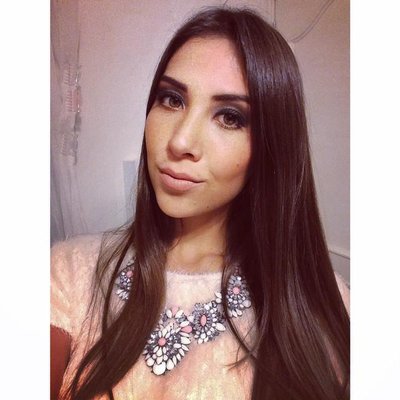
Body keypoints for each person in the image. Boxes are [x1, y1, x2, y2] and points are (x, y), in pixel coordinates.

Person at [51, 7, 350, 400]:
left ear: (271, 145)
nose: (180, 142)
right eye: (171, 99)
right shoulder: (69, 272)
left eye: (230, 117)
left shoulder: (326, 304)